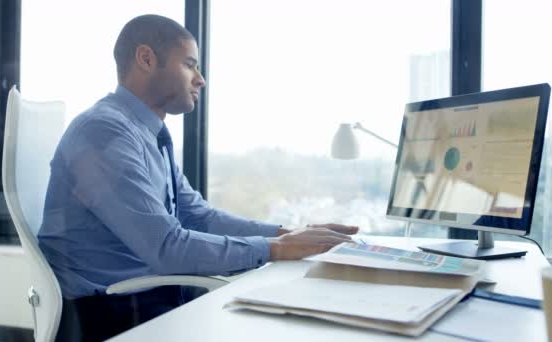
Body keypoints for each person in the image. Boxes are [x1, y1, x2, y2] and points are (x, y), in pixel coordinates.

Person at [37, 14, 358, 341]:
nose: (200, 79)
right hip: (109, 314)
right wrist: (275, 248)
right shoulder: (104, 133)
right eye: (190, 65)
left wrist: (289, 234)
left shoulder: (145, 133)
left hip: (144, 296)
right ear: (146, 59)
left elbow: (197, 216)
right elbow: (166, 247)